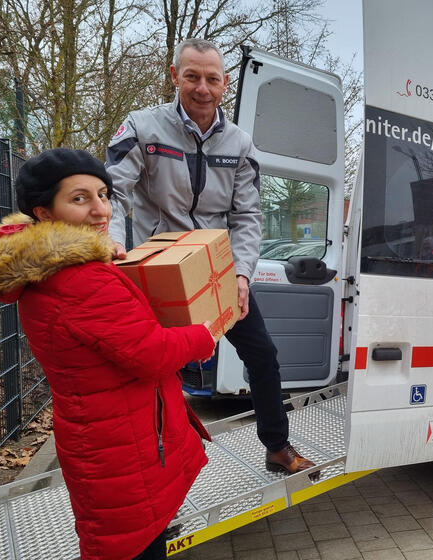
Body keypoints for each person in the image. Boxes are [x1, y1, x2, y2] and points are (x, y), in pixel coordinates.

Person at [0, 148, 216, 560]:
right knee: (131, 546)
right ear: (44, 213)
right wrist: (204, 333)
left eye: (103, 195)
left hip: (109, 437)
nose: (100, 210)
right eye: (79, 198)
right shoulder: (80, 280)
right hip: (123, 449)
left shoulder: (52, 270)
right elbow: (153, 354)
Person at [105, 38, 316, 477]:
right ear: (174, 75)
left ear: (225, 83)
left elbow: (247, 215)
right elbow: (112, 191)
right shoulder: (143, 127)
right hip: (157, 269)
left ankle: (276, 447)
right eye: (192, 76)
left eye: (212, 79)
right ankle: (154, 467)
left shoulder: (240, 143)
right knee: (158, 372)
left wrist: (241, 276)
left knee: (262, 355)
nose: (203, 88)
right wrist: (110, 244)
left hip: (216, 271)